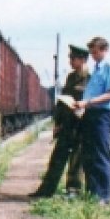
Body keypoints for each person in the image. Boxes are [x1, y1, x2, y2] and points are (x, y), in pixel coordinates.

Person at [30, 45, 90, 197]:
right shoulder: (71, 77)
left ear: (82, 59)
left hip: (80, 124)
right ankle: (46, 189)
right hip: (67, 123)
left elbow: (90, 100)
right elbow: (62, 101)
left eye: (73, 58)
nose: (70, 60)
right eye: (70, 57)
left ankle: (73, 190)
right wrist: (57, 123)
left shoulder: (90, 77)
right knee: (57, 156)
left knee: (76, 159)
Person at [73, 36, 110, 203]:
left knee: (100, 155)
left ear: (104, 50)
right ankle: (93, 193)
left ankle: (104, 196)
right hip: (91, 115)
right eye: (91, 52)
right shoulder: (98, 68)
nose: (92, 56)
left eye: (95, 52)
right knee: (89, 155)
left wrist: (87, 102)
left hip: (101, 116)